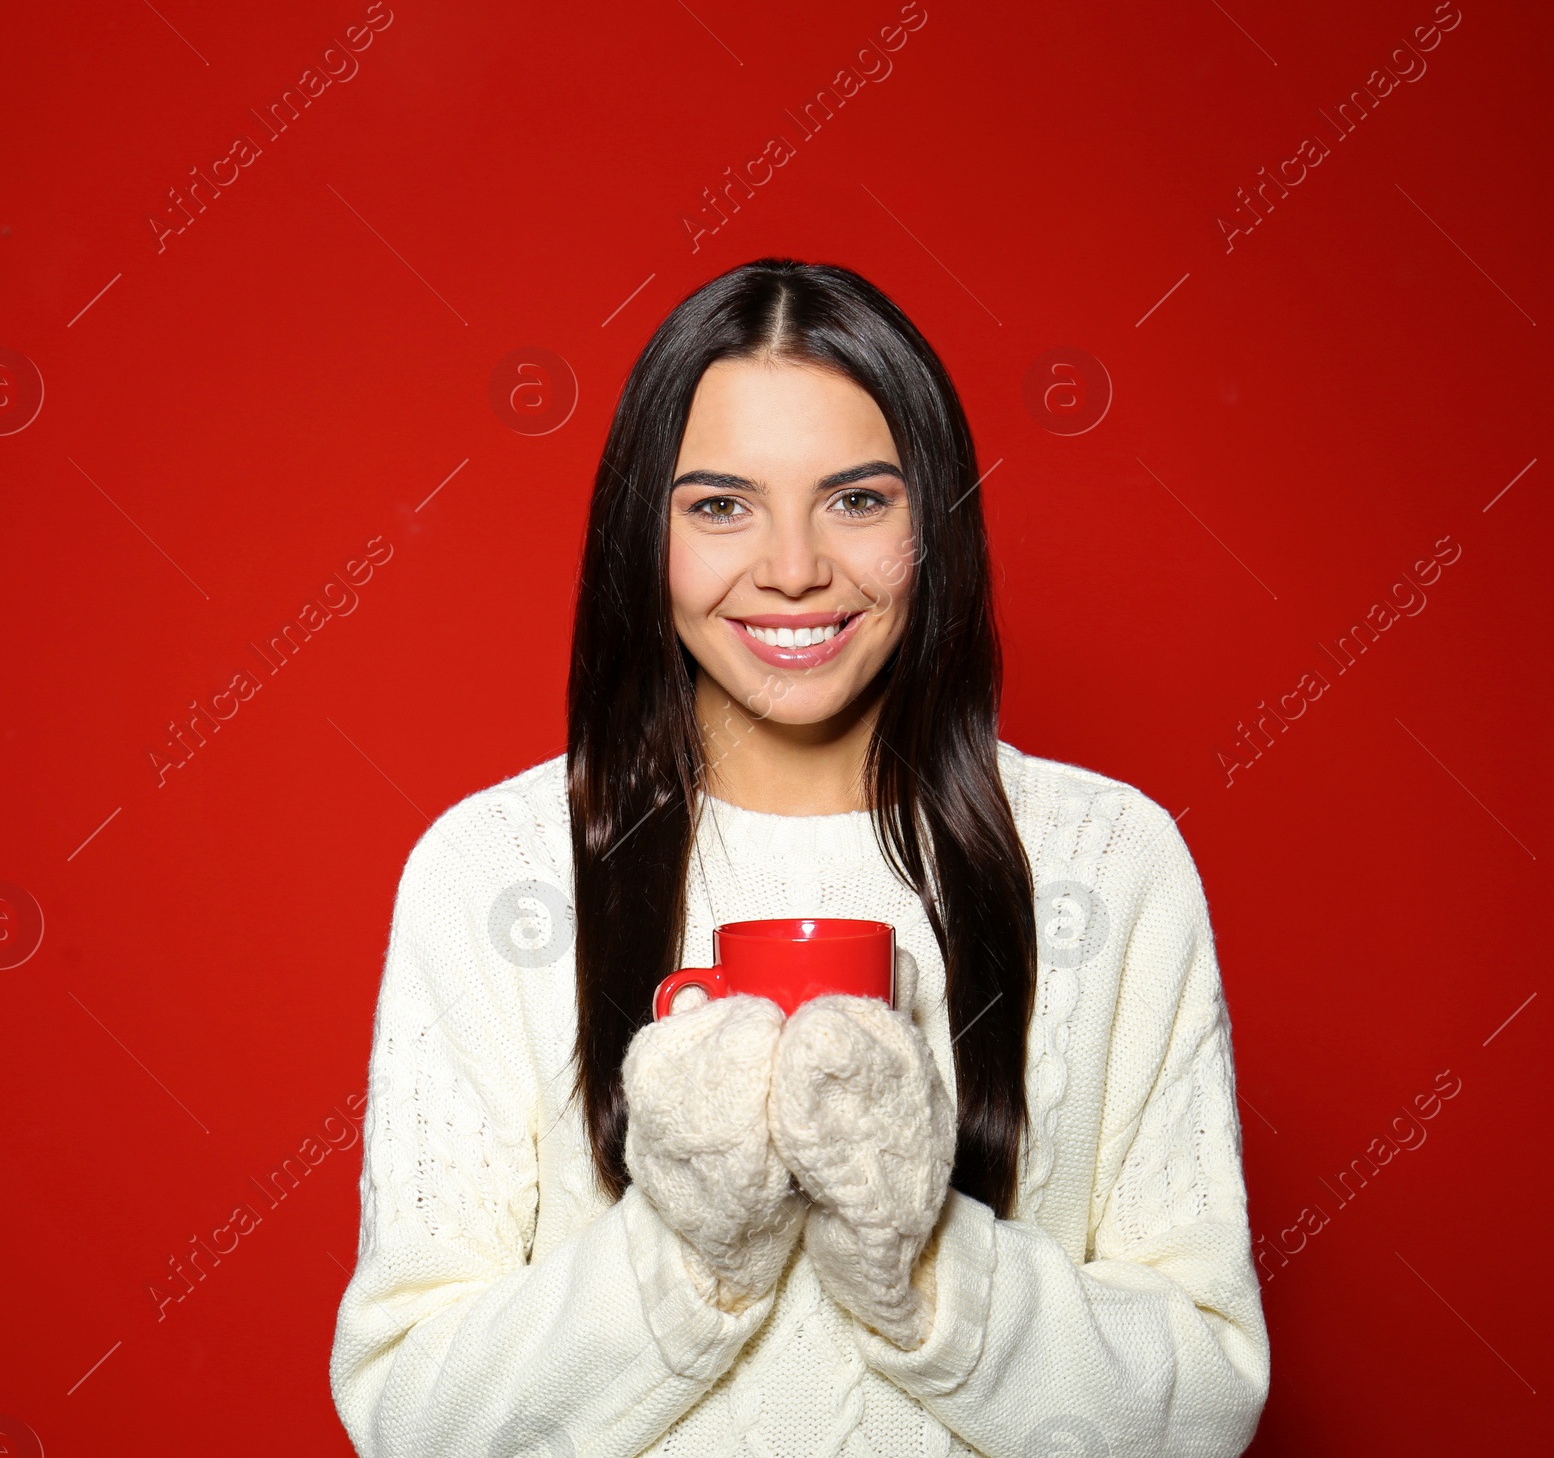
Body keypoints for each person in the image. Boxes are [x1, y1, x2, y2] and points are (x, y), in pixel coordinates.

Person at [328, 258, 1270, 1457]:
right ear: (643, 529)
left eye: (857, 500)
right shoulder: (491, 872)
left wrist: (917, 1256)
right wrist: (690, 1242)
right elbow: (412, 1415)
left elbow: (1203, 1406)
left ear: (934, 516)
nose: (790, 569)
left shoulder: (1110, 863)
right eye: (719, 504)